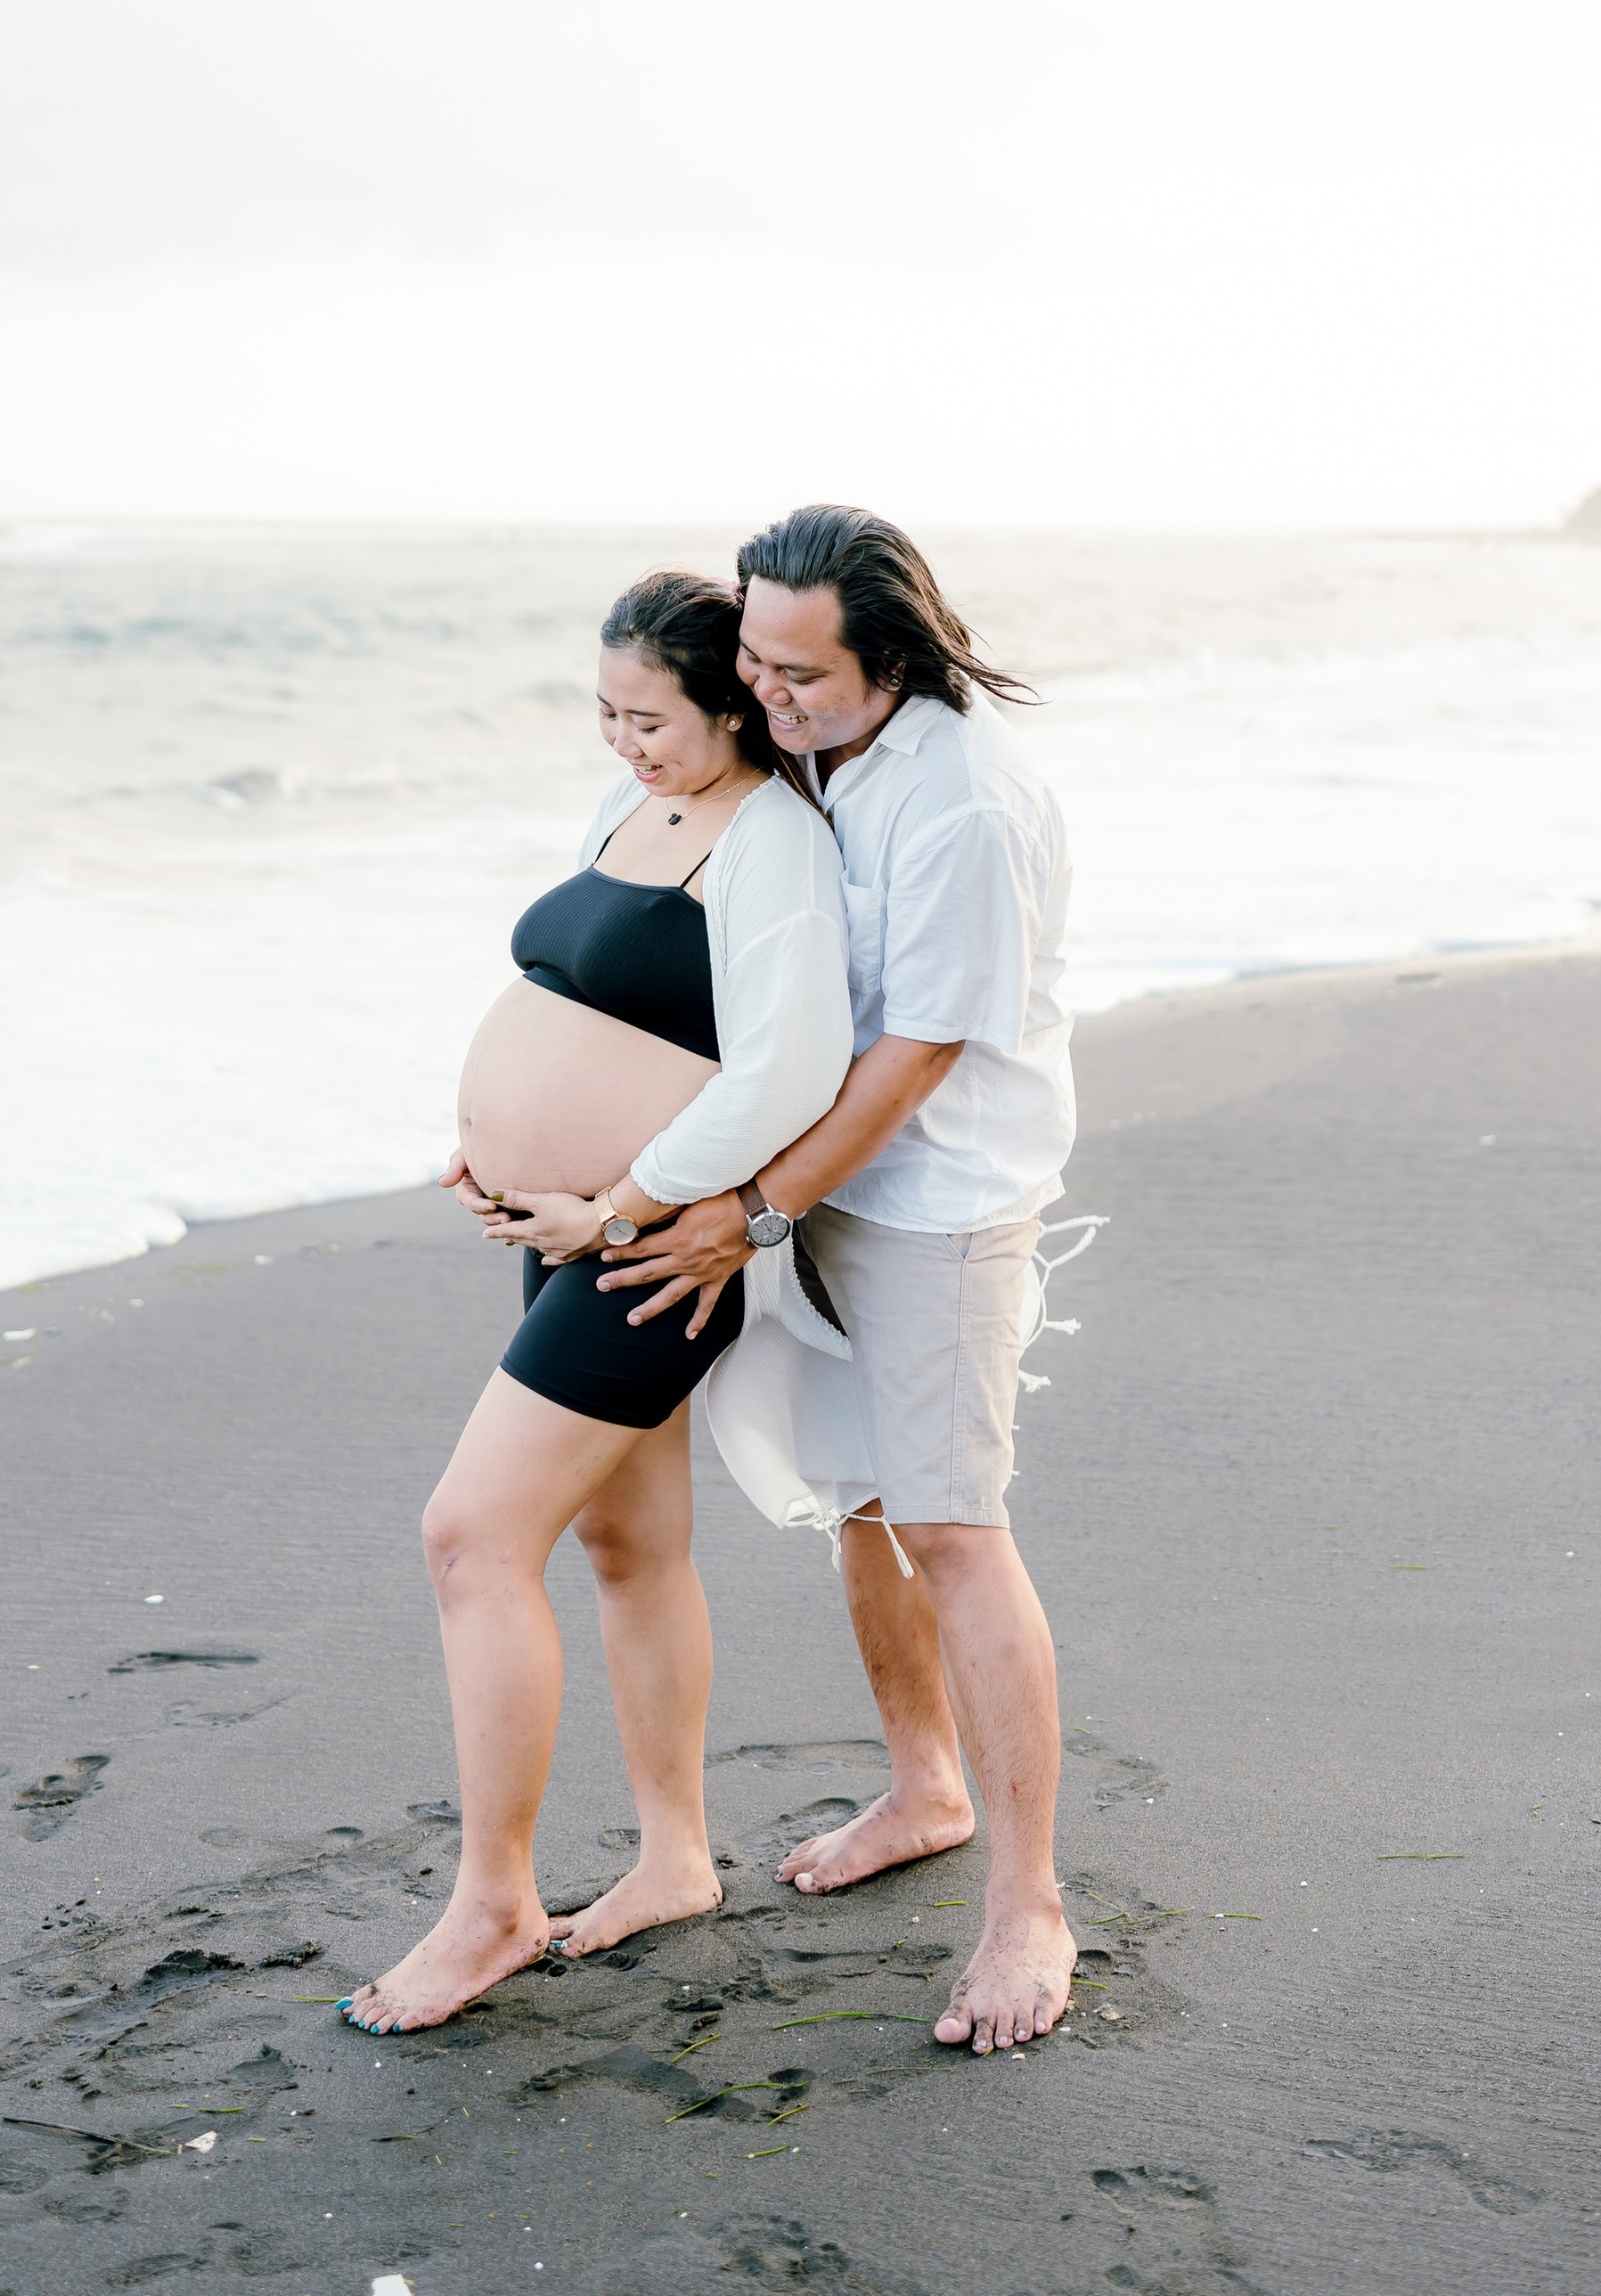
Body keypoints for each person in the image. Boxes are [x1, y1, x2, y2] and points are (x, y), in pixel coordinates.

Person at [341, 569, 853, 2037]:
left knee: (470, 1538)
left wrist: (613, 1199)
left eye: (652, 717)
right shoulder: (635, 811)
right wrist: (494, 1145)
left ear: (734, 705)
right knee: (632, 1544)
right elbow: (582, 998)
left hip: (651, 1249)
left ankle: (494, 1901)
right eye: (605, 715)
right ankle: (677, 1856)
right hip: (566, 1227)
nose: (625, 742)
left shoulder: (774, 846)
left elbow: (786, 1070)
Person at [601, 505, 1080, 2058]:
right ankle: (925, 1784)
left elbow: (919, 1051)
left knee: (951, 1522)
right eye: (752, 655)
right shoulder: (820, 752)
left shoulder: (962, 798)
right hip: (827, 1185)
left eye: (802, 671)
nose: (770, 690)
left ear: (891, 659)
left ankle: (1029, 1909)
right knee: (867, 1504)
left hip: (940, 1199)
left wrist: (749, 1208)